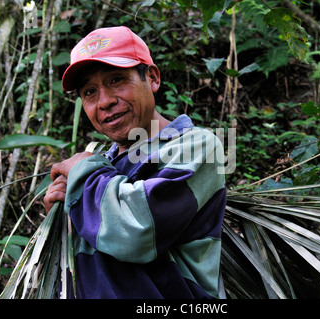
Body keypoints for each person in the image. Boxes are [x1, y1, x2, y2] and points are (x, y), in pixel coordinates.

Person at [43, 26, 227, 299]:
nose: (103, 101)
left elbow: (136, 231)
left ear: (152, 78)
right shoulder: (101, 167)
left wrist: (82, 177)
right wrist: (62, 215)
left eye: (117, 79)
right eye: (90, 92)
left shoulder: (197, 145)